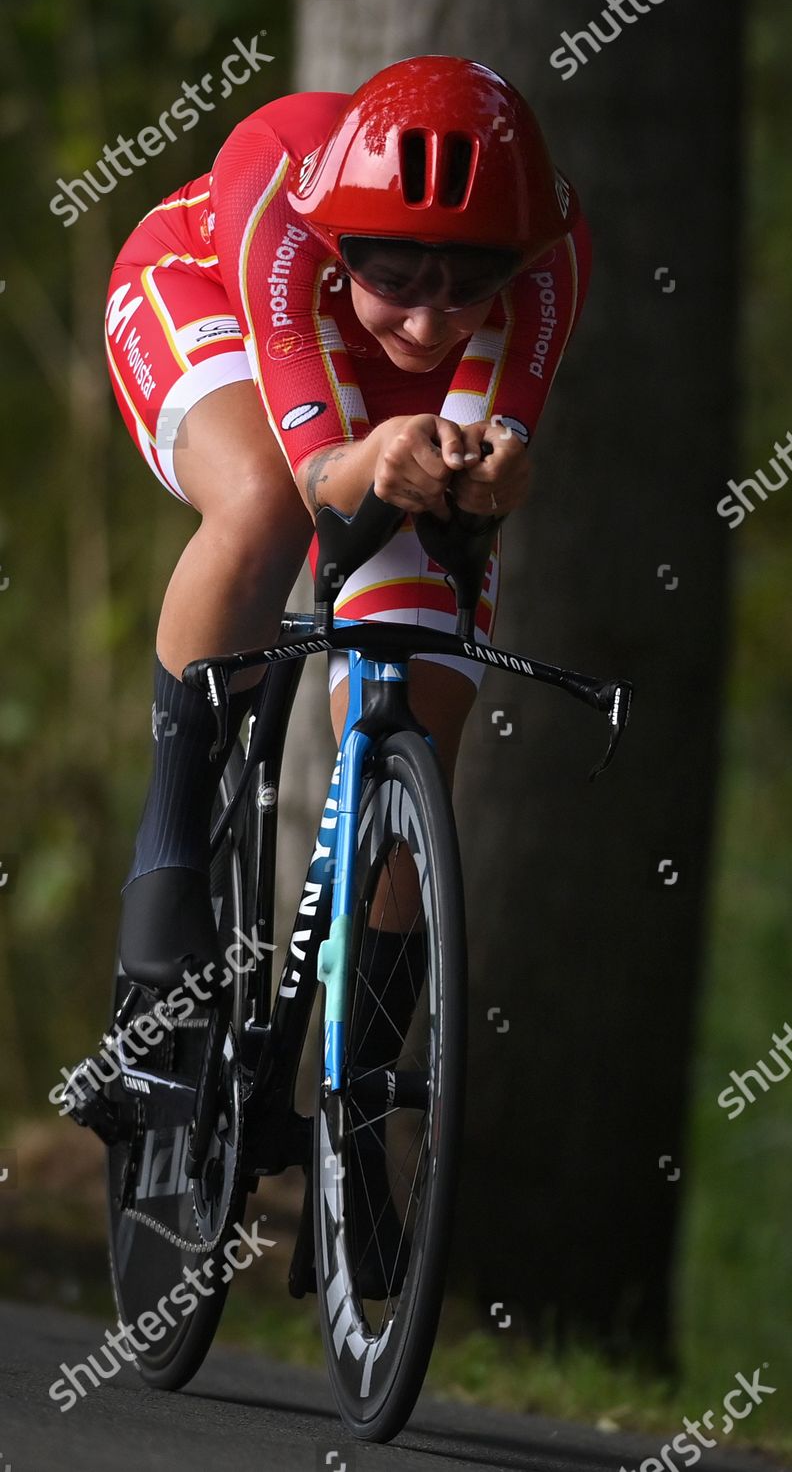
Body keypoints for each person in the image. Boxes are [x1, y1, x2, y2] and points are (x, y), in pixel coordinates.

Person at [104, 53, 592, 995]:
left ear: (518, 261)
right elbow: (321, 469)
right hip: (214, 299)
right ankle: (167, 855)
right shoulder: (280, 179)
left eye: (467, 282)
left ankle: (357, 1092)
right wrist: (373, 456)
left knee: (426, 690)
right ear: (341, 243)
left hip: (385, 393)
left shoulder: (555, 244)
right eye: (397, 275)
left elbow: (492, 427)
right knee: (264, 500)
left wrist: (492, 472)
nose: (424, 320)